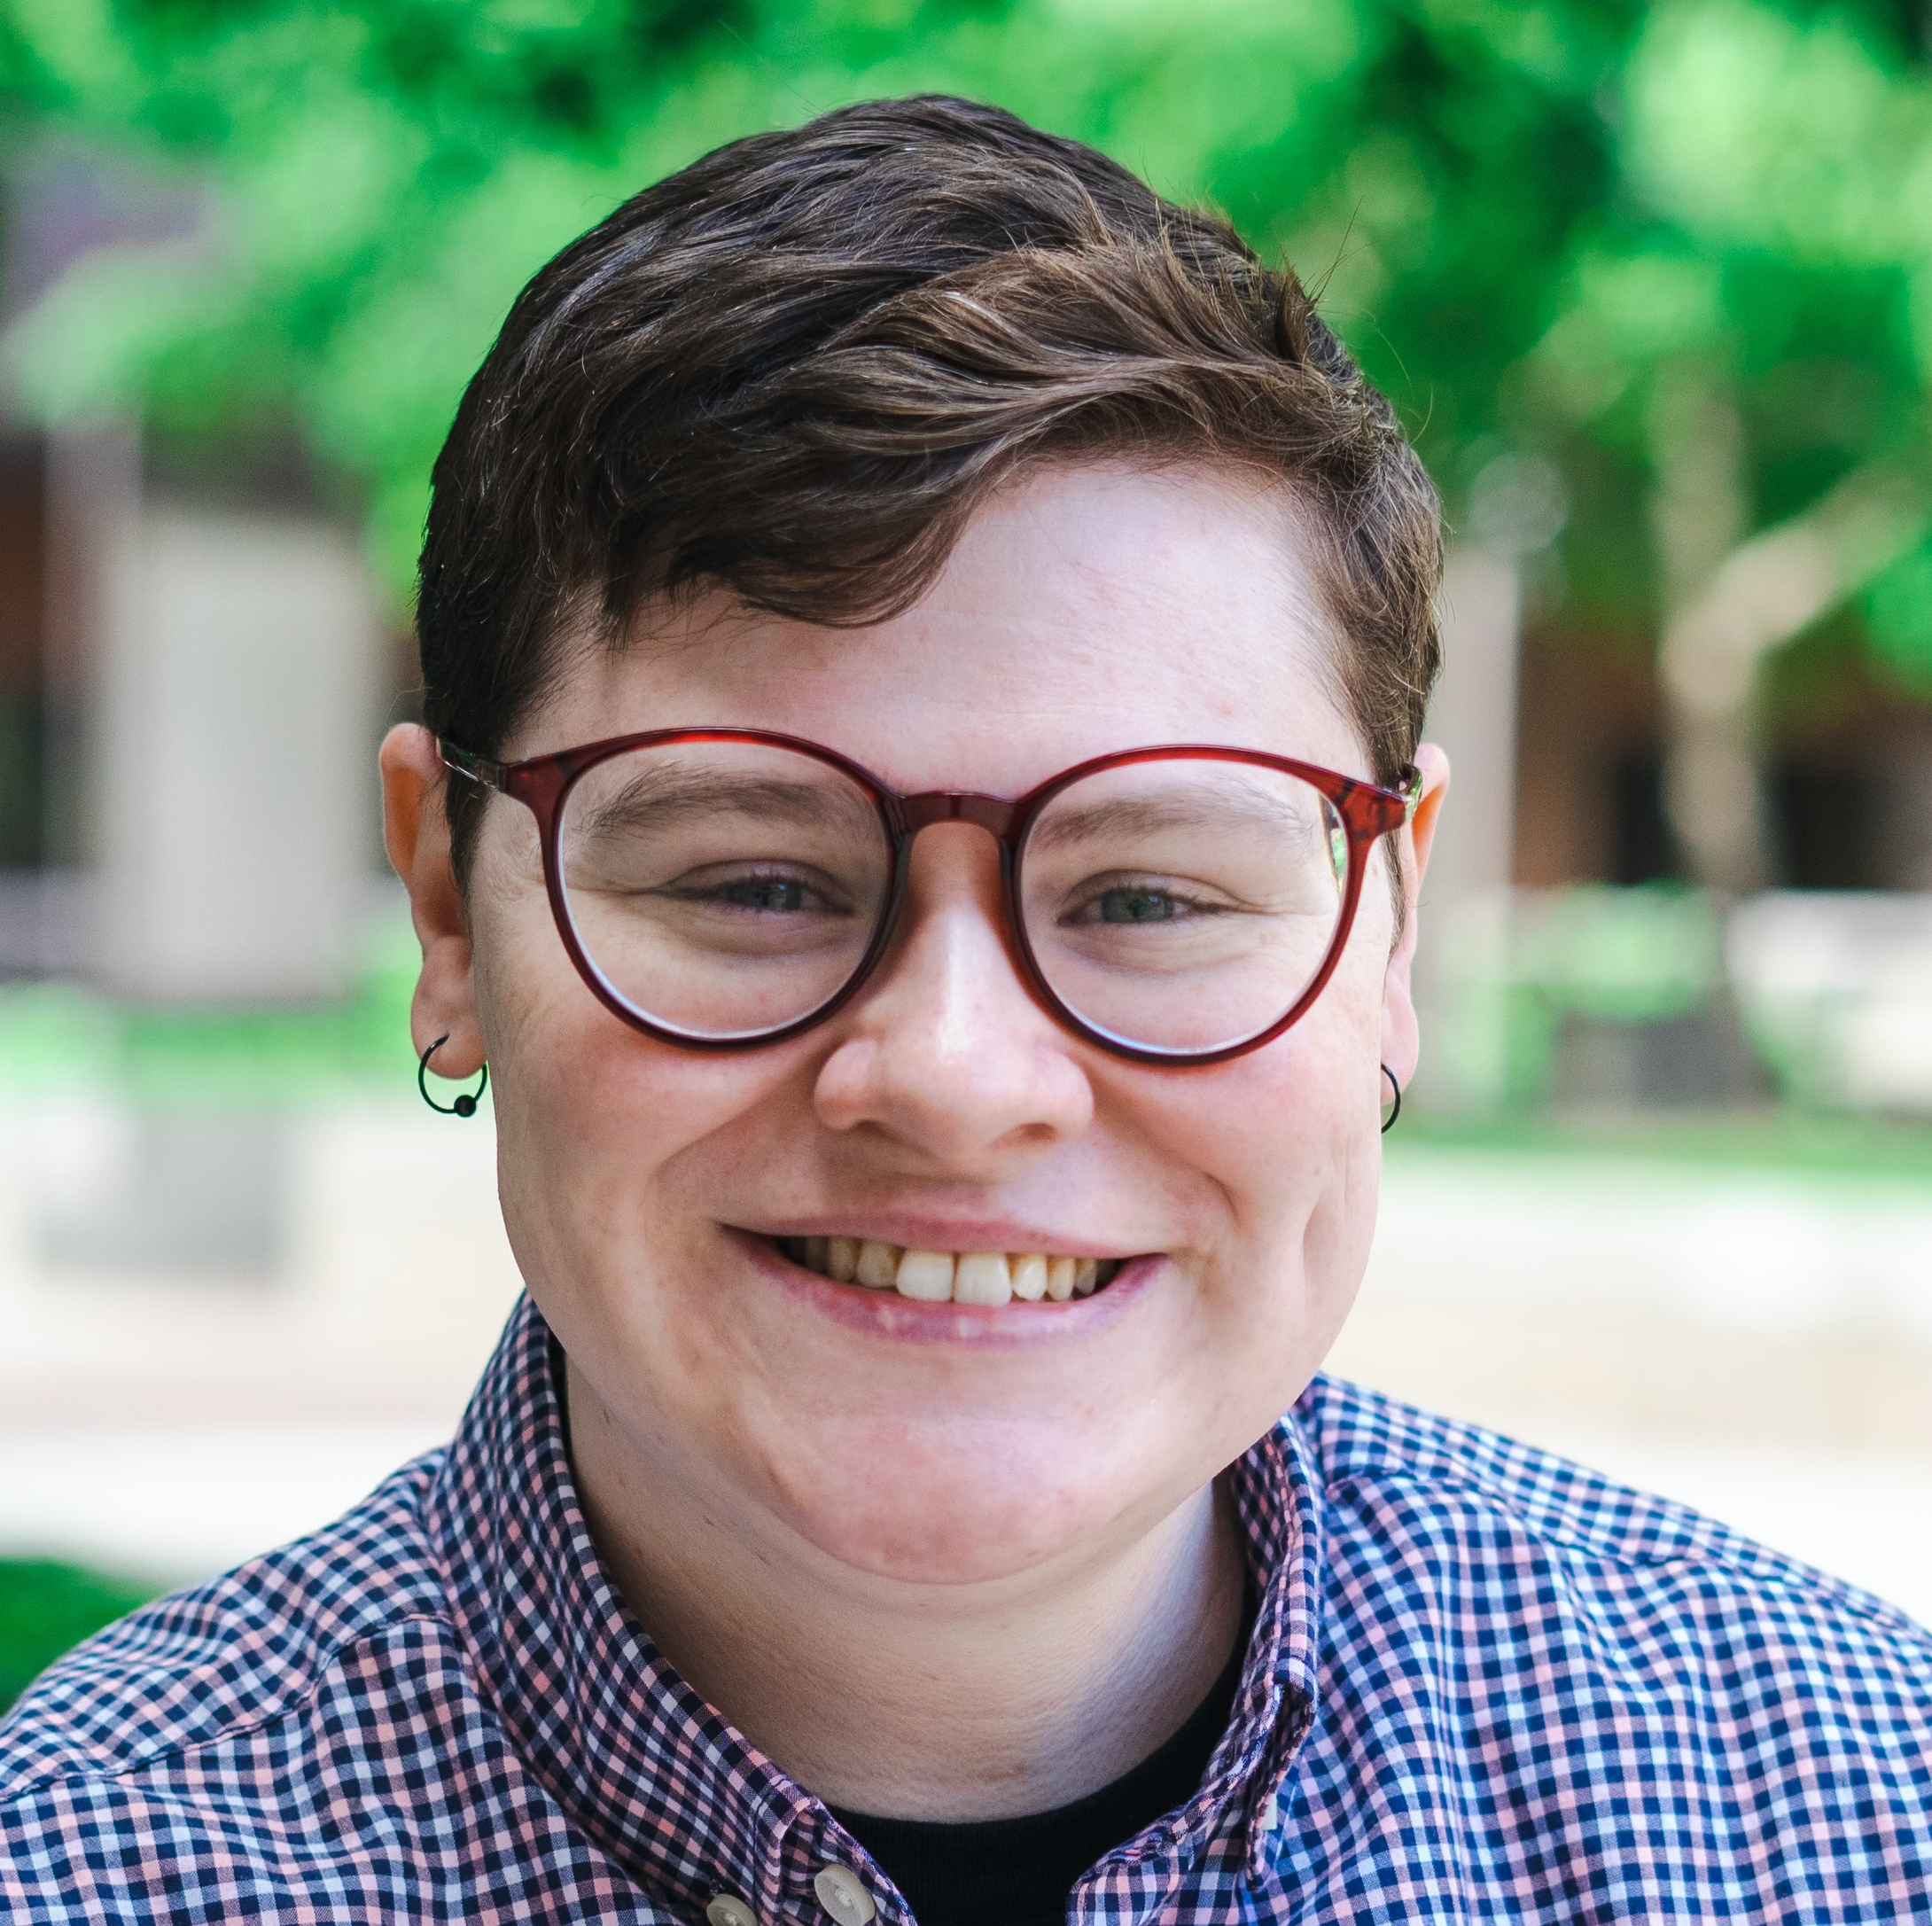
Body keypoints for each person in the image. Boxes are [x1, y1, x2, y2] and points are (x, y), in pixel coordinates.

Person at [3, 94, 1928, 1926]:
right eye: (755, 881)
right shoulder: (80, 1868)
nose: (951, 1075)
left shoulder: (1851, 1813)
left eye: (1152, 895)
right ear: (448, 907)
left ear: (1388, 931)